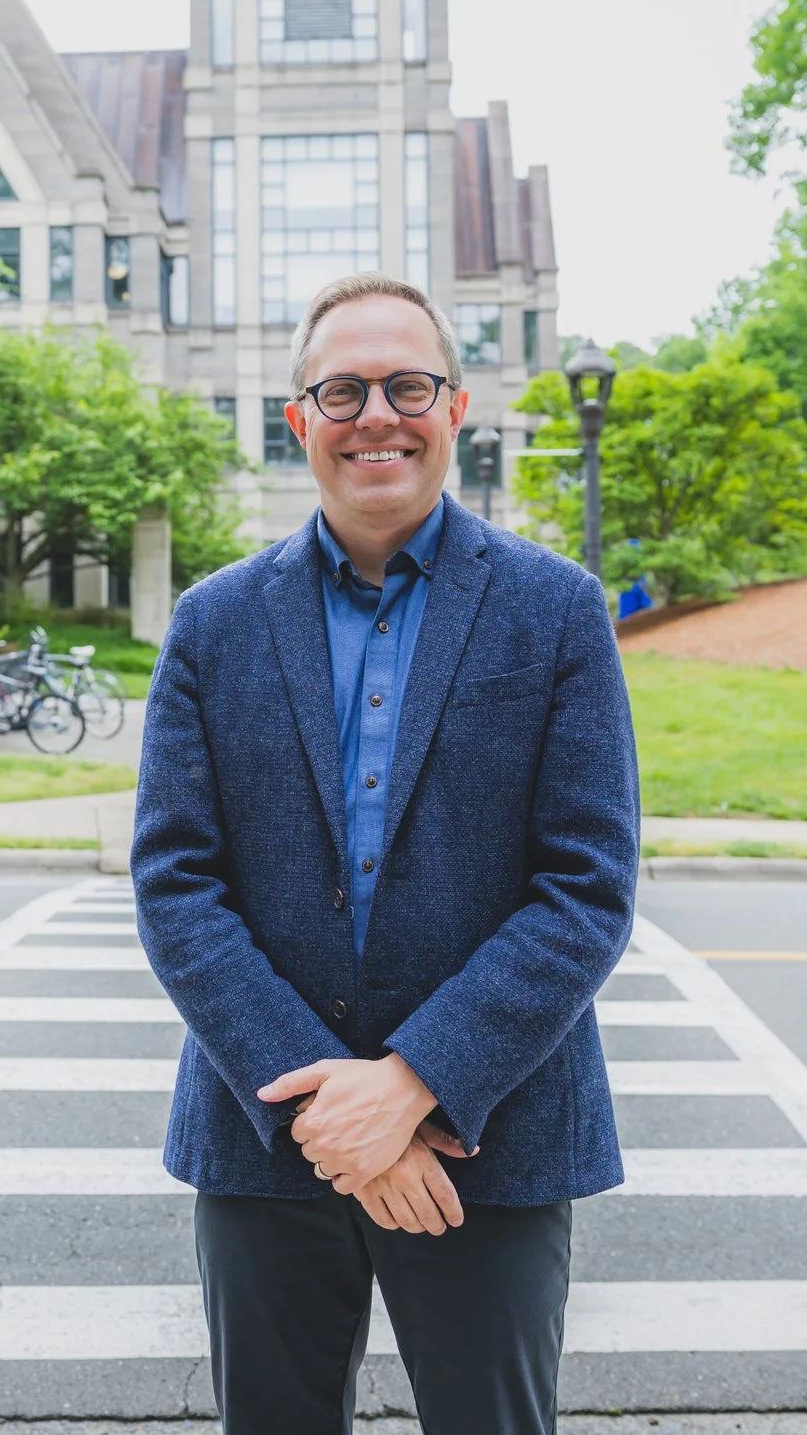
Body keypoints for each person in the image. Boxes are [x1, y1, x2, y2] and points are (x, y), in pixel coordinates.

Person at [132, 272, 641, 1435]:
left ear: (455, 407)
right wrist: (333, 1110)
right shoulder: (213, 621)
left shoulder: (555, 611)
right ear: (298, 416)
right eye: (343, 388)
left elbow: (586, 887)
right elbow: (176, 884)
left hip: (488, 1136)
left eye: (406, 384)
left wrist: (413, 1084)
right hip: (266, 1136)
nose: (377, 413)